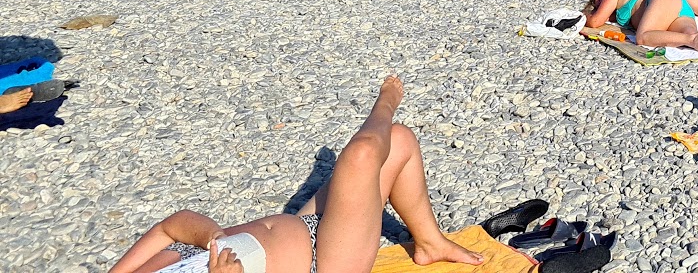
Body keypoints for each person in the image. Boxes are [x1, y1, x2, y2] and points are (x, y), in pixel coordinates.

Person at [109, 76, 482, 273]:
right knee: (366, 153)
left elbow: (170, 226)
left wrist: (215, 237)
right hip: (326, 262)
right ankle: (386, 101)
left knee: (398, 142)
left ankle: (430, 244)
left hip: (300, 226)